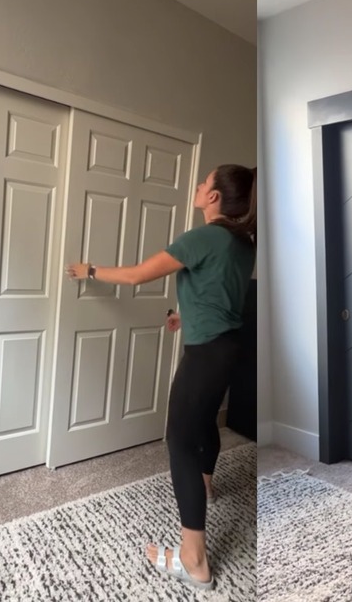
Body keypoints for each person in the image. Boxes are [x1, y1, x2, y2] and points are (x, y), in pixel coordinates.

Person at [65, 164, 256, 591]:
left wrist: (89, 271)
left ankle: (194, 561)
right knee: (204, 420)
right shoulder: (243, 243)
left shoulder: (203, 236)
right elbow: (219, 291)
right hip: (226, 349)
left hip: (205, 354)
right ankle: (204, 483)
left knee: (179, 440)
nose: (199, 185)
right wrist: (183, 314)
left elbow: (136, 274)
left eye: (205, 182)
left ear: (214, 198)